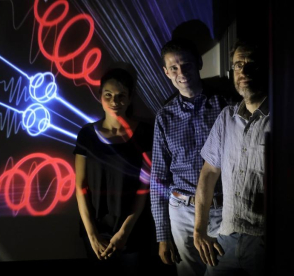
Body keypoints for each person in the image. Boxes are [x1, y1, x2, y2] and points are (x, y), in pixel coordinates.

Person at [150, 38, 228, 276]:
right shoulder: (164, 117)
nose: (181, 72)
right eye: (173, 67)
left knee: (223, 269)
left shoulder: (225, 106)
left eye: (186, 65)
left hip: (221, 209)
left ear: (199, 64)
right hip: (182, 211)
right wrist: (162, 236)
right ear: (166, 72)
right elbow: (158, 178)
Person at [193, 39, 269, 276]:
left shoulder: (284, 118)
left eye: (251, 65)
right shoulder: (227, 117)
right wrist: (199, 229)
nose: (243, 71)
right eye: (238, 65)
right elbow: (209, 173)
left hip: (264, 242)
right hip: (226, 236)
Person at [73, 67, 155, 275]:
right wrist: (92, 234)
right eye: (108, 95)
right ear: (100, 96)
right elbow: (80, 186)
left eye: (121, 96)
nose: (114, 101)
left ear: (130, 98)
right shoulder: (87, 134)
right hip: (96, 228)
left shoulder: (145, 133)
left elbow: (145, 187)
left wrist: (124, 232)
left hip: (134, 229)